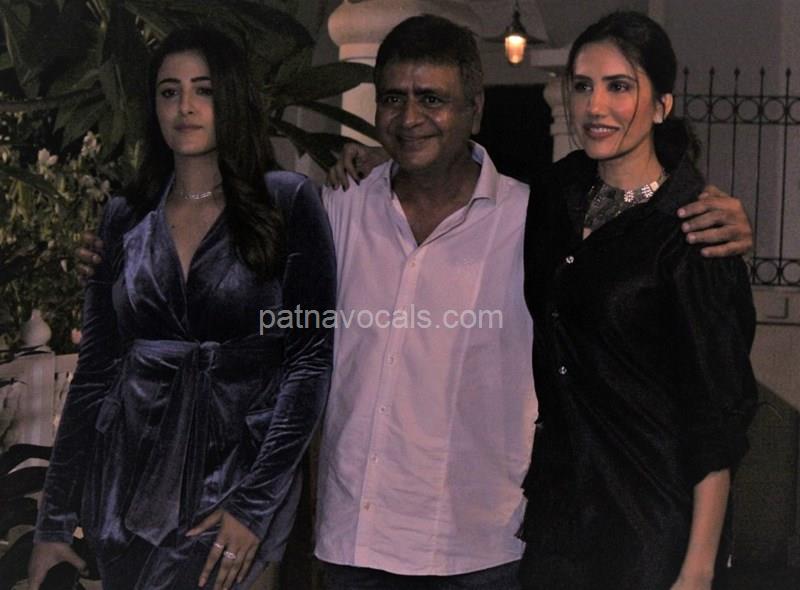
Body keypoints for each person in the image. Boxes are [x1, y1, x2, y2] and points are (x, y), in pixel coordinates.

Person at [77, 15, 753, 590]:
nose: (410, 118)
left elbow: (633, 243)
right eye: (393, 99)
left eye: (432, 99)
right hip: (351, 548)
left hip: (483, 552)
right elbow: (233, 276)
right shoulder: (337, 211)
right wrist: (120, 257)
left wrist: (707, 210)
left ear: (475, 109)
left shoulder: (533, 218)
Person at [28, 27, 335, 590]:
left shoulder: (288, 201)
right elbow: (95, 371)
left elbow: (310, 361)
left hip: (236, 483)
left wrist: (255, 503)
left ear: (233, 99)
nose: (185, 107)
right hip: (125, 484)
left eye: (204, 90)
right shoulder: (125, 214)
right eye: (169, 91)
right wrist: (53, 521)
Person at [517, 11, 757, 590]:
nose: (595, 106)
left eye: (619, 86)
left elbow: (716, 417)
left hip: (650, 532)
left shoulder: (694, 231)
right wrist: (382, 167)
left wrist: (696, 571)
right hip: (560, 522)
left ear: (661, 105)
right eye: (583, 86)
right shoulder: (556, 194)